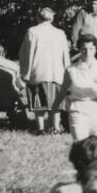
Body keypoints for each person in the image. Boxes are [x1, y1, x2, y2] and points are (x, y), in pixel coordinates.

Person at [20, 7, 70, 135]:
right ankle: (56, 128)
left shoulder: (32, 32)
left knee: (39, 103)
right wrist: (67, 73)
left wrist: (25, 73)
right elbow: (66, 55)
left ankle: (40, 129)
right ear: (52, 18)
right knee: (56, 104)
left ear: (38, 17)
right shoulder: (60, 33)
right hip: (57, 74)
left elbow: (25, 53)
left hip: (38, 73)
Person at [59, 35, 97, 142]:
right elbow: (61, 93)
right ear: (79, 50)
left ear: (95, 49)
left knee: (96, 148)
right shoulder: (71, 69)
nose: (87, 52)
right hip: (77, 110)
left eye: (91, 49)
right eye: (84, 49)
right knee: (81, 145)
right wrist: (52, 114)